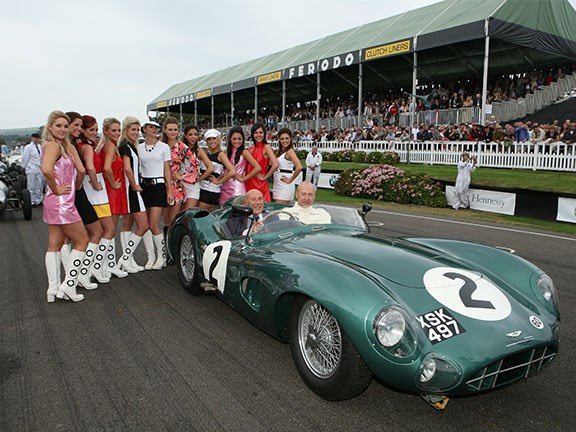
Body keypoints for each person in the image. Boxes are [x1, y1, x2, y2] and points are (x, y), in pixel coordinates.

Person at [41, 111, 89, 303]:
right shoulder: (53, 145)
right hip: (61, 203)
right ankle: (69, 285)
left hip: (55, 202)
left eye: (65, 126)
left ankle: (53, 289)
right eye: (58, 125)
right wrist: (57, 189)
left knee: (55, 244)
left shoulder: (62, 146)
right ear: (50, 127)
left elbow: (81, 169)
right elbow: (46, 169)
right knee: (82, 240)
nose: (62, 129)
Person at [80, 115, 122, 283]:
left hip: (95, 191)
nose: (94, 133)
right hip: (97, 192)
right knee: (108, 230)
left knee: (100, 232)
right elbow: (91, 168)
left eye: (95, 130)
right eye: (91, 130)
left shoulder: (92, 145)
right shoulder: (89, 147)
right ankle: (91, 269)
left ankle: (92, 269)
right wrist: (98, 183)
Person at [138, 119, 171, 270]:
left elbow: (167, 171)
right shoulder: (138, 148)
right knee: (144, 225)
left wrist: (169, 190)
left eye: (156, 127)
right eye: (150, 127)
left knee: (153, 224)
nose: (154, 129)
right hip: (144, 187)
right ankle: (150, 257)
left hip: (158, 186)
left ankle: (162, 256)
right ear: (144, 129)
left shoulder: (164, 147)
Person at [117, 116, 149, 273]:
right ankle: (124, 259)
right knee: (143, 225)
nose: (136, 132)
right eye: (133, 129)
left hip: (132, 189)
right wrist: (135, 185)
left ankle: (127, 260)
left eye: (138, 129)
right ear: (126, 130)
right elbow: (127, 168)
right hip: (131, 189)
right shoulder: (124, 146)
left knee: (127, 225)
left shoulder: (131, 146)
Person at [99, 117, 128, 279]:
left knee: (108, 231)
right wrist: (113, 183)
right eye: (113, 130)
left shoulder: (107, 145)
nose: (117, 133)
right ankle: (107, 266)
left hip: (111, 192)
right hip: (113, 192)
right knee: (109, 231)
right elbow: (106, 168)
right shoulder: (109, 146)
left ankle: (107, 265)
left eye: (118, 130)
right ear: (106, 132)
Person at [219, 126, 261, 206]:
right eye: (234, 139)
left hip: (238, 187)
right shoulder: (226, 152)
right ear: (230, 139)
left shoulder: (244, 152)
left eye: (239, 139)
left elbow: (257, 167)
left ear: (243, 139)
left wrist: (244, 178)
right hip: (225, 186)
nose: (237, 141)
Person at [198, 129, 236, 212]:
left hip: (210, 190)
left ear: (218, 140)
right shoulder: (207, 154)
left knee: (199, 216)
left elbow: (232, 171)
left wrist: (219, 181)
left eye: (214, 138)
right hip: (203, 188)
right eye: (209, 139)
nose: (212, 141)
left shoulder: (220, 154)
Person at [182, 124, 213, 210]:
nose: (193, 137)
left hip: (193, 186)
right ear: (185, 135)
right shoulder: (180, 149)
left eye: (195, 134)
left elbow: (210, 168)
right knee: (177, 215)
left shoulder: (199, 151)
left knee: (187, 213)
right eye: (190, 134)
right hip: (180, 184)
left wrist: (199, 179)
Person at [245, 123, 278, 202]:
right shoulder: (250, 148)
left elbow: (275, 164)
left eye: (261, 132)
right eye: (256, 133)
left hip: (260, 184)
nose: (258, 135)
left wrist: (265, 177)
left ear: (264, 134)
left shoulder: (266, 147)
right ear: (252, 134)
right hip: (249, 182)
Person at [273, 128, 302, 203]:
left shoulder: (290, 151)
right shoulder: (281, 152)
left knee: (280, 211)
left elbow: (299, 167)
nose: (284, 141)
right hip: (277, 184)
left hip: (285, 186)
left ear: (291, 139)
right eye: (282, 139)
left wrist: (291, 179)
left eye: (287, 138)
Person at [21, 132, 45, 206]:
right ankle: (31, 201)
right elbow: (25, 158)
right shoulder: (28, 147)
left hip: (39, 168)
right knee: (31, 185)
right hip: (31, 168)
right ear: (33, 138)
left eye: (38, 138)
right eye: (36, 138)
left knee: (39, 185)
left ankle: (38, 199)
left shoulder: (39, 146)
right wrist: (23, 167)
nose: (37, 139)